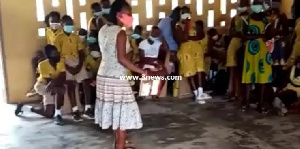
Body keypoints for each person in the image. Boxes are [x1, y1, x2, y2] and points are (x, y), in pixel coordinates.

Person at [95, 0, 147, 148]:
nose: (131, 17)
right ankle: (120, 145)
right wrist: (143, 72)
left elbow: (109, 53)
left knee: (114, 111)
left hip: (104, 75)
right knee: (122, 114)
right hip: (117, 78)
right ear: (118, 15)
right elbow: (122, 59)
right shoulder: (120, 33)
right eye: (128, 14)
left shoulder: (103, 29)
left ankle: (119, 142)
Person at [15, 45, 66, 125]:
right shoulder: (42, 65)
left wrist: (54, 82)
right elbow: (48, 80)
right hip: (42, 85)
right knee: (59, 90)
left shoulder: (61, 62)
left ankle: (24, 107)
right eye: (54, 54)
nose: (57, 55)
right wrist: (55, 81)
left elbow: (63, 77)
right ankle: (57, 115)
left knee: (49, 113)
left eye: (57, 53)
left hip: (52, 85)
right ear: (48, 56)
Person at [54, 15, 91, 121]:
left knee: (86, 81)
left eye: (71, 24)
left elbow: (81, 51)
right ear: (62, 25)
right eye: (67, 24)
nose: (69, 26)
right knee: (71, 84)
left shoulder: (75, 37)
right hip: (65, 62)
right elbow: (58, 55)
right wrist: (68, 67)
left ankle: (88, 108)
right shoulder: (58, 38)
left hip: (77, 60)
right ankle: (75, 111)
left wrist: (79, 66)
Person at [241, 0, 272, 113]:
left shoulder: (265, 20)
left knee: (262, 76)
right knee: (249, 75)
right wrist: (259, 35)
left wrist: (254, 36)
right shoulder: (247, 20)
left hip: (262, 51)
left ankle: (261, 103)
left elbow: (269, 35)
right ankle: (247, 101)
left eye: (259, 5)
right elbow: (244, 35)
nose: (257, 7)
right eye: (255, 5)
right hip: (250, 51)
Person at [176, 6, 211, 103]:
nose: (186, 14)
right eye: (184, 12)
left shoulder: (195, 23)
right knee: (189, 72)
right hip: (185, 51)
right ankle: (196, 94)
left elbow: (201, 35)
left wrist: (190, 38)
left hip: (197, 49)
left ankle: (200, 92)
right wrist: (186, 26)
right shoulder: (178, 25)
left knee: (200, 70)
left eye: (187, 12)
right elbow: (182, 38)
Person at [225, 0, 249, 101]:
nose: (242, 6)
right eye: (241, 4)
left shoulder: (250, 18)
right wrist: (238, 33)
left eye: (244, 4)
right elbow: (231, 31)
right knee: (232, 69)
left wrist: (240, 34)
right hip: (234, 44)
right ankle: (232, 92)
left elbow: (246, 33)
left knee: (241, 70)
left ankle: (239, 93)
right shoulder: (235, 18)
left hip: (244, 44)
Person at [138, 26, 168, 98]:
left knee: (163, 73)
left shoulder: (158, 43)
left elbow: (166, 48)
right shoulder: (143, 43)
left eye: (157, 32)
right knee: (147, 72)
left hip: (154, 61)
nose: (155, 33)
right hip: (146, 61)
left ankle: (155, 93)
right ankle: (144, 92)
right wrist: (151, 64)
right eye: (154, 31)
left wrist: (162, 38)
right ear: (151, 31)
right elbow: (142, 57)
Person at [158, 6, 181, 96]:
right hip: (169, 50)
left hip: (169, 49)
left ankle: (170, 88)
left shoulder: (165, 21)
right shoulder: (169, 22)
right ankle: (169, 88)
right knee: (171, 70)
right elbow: (161, 36)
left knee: (171, 70)